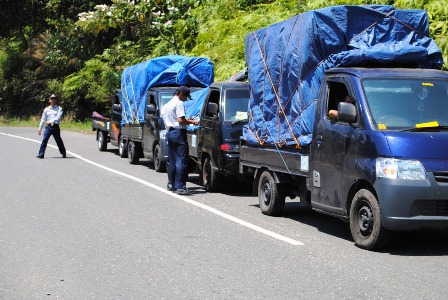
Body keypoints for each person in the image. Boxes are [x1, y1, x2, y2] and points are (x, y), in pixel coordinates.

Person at [161, 86, 199, 195]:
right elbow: (180, 120)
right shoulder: (179, 104)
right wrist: (193, 122)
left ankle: (171, 184)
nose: (186, 99)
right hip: (178, 133)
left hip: (170, 132)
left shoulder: (167, 105)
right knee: (181, 159)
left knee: (172, 160)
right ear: (181, 94)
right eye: (186, 96)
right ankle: (180, 186)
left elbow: (167, 118)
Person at [36, 94, 67, 159]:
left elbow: (58, 118)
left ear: (56, 100)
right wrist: (40, 128)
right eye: (51, 99)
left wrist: (50, 121)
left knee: (58, 140)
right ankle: (41, 154)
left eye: (54, 99)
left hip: (55, 127)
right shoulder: (46, 109)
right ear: (49, 100)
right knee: (44, 139)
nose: (53, 100)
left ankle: (63, 152)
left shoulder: (59, 108)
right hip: (48, 127)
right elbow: (43, 119)